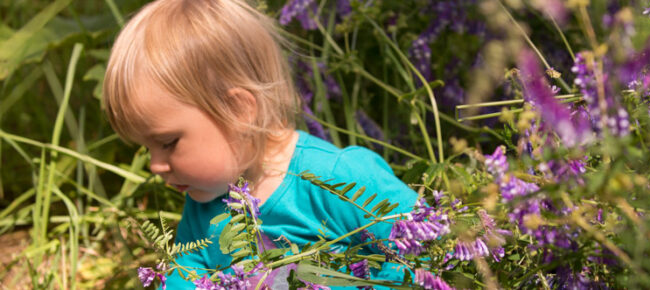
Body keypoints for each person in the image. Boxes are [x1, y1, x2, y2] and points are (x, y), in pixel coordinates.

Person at [102, 0, 418, 289]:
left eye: (168, 142)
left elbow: (427, 252)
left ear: (238, 111)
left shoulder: (338, 178)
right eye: (147, 148)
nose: (155, 165)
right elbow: (187, 271)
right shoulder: (205, 203)